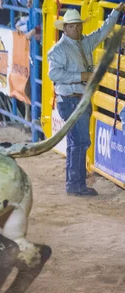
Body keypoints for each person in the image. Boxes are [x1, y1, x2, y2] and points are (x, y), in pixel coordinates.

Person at [48, 5, 124, 196]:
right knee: (80, 142)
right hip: (71, 100)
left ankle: (75, 184)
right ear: (65, 28)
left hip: (78, 99)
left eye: (78, 25)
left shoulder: (84, 43)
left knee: (77, 142)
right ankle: (76, 185)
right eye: (72, 26)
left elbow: (103, 31)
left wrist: (116, 12)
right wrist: (81, 75)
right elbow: (53, 74)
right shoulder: (58, 50)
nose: (77, 29)